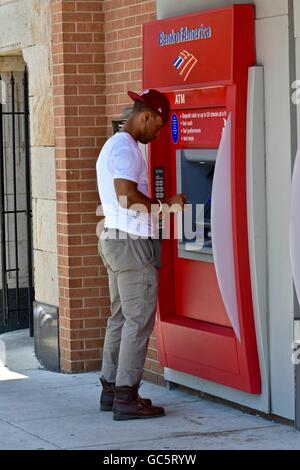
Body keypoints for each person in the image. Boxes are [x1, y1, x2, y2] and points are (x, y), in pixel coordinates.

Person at [96, 89, 187, 421]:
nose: (158, 133)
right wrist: (166, 206)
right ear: (146, 115)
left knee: (120, 318)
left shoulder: (116, 146)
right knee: (138, 320)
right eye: (158, 125)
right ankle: (127, 398)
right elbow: (126, 196)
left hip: (115, 239)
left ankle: (111, 390)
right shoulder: (127, 150)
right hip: (132, 243)